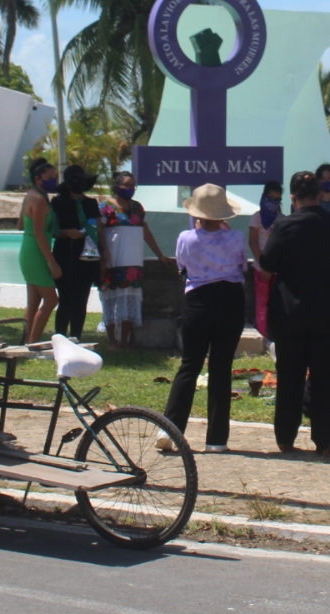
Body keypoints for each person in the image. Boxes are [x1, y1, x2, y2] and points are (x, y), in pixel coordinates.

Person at [259, 170, 330, 456]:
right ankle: (324, 438)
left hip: (291, 310)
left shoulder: (284, 225)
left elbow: (268, 264)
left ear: (293, 197)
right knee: (326, 374)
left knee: (290, 375)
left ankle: (286, 437)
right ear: (319, 194)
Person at [161, 184, 248, 452]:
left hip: (198, 301)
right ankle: (217, 440)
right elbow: (243, 265)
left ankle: (170, 429)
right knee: (221, 369)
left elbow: (182, 266)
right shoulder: (236, 238)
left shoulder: (186, 238)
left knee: (189, 366)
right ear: (224, 215)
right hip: (230, 300)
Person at [98, 171, 172, 349]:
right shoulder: (105, 207)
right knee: (110, 300)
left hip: (133, 262)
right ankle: (112, 340)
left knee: (130, 300)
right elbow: (99, 232)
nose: (131, 189)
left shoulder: (138, 208)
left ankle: (124, 340)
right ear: (117, 187)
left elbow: (145, 232)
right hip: (112, 261)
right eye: (127, 185)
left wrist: (160, 255)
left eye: (133, 186)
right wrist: (104, 253)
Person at [50, 165, 102, 341]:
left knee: (82, 298)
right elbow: (53, 229)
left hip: (88, 255)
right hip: (66, 254)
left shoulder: (90, 203)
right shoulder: (58, 202)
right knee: (66, 298)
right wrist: (68, 232)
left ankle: (76, 338)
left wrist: (103, 252)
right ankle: (60, 338)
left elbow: (97, 228)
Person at [18, 157, 62, 344]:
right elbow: (39, 233)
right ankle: (33, 342)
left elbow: (21, 225)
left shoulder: (31, 195)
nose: (54, 180)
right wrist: (52, 263)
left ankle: (26, 340)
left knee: (34, 302)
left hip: (28, 249)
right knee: (52, 300)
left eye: (55, 177)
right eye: (50, 177)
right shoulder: (39, 200)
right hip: (36, 253)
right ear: (38, 179)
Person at [247, 180, 283, 338]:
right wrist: (264, 265)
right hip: (260, 267)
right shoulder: (256, 218)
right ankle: (262, 334)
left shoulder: (282, 219)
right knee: (262, 302)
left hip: (278, 269)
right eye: (271, 198)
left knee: (277, 303)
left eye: (277, 199)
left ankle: (275, 334)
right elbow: (252, 242)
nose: (273, 202)